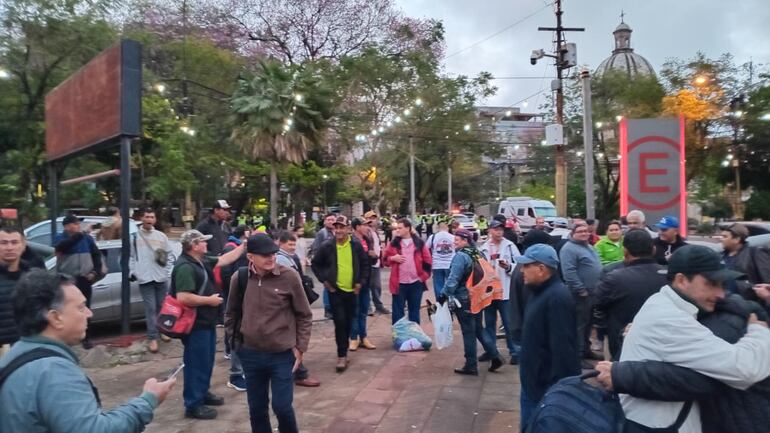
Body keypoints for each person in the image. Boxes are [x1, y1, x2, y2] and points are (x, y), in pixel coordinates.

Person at [598, 245, 770, 433]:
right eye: (712, 283)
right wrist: (758, 330)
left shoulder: (664, 303)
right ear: (681, 280)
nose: (721, 294)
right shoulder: (669, 319)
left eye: (722, 285)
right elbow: (744, 369)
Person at [0, 270, 176, 432]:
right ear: (55, 317)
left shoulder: (15, 357)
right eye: (81, 307)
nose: (89, 313)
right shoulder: (54, 372)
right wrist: (147, 401)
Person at [225, 234, 312, 433]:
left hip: (282, 354)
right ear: (250, 256)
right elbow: (231, 313)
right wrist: (236, 343)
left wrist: (300, 348)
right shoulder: (240, 278)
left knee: (282, 407)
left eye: (273, 253)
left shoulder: (289, 276)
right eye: (265, 255)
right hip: (251, 354)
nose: (271, 258)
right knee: (257, 409)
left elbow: (304, 314)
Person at [172, 229, 246, 420]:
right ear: (194, 246)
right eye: (203, 241)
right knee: (196, 363)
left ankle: (202, 393)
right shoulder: (185, 267)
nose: (206, 243)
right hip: (195, 324)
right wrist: (209, 300)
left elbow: (225, 259)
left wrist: (244, 246)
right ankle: (193, 404)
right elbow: (183, 297)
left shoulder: (200, 260)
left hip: (205, 322)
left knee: (205, 361)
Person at [517, 244, 580, 429]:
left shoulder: (557, 298)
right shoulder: (537, 292)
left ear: (541, 268)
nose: (522, 270)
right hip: (533, 383)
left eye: (526, 266)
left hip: (543, 389)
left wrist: (560, 393)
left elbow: (564, 349)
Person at [594, 229, 666, 360]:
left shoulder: (614, 278)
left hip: (622, 343)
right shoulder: (670, 276)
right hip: (660, 342)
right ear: (653, 249)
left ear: (625, 251)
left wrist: (604, 328)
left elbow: (597, 305)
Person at [310, 216, 369, 372]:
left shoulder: (355, 245)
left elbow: (365, 264)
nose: (339, 230)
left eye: (342, 227)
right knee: (340, 322)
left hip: (352, 291)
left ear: (348, 229)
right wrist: (325, 281)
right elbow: (315, 264)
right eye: (336, 227)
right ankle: (341, 355)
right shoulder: (327, 246)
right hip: (335, 291)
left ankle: (345, 346)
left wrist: (360, 282)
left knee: (349, 322)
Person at [443, 229, 504, 375]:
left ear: (465, 241)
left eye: (457, 240)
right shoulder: (478, 253)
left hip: (464, 298)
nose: (454, 242)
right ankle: (495, 355)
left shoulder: (461, 256)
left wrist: (444, 294)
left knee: (468, 332)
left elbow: (454, 279)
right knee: (478, 328)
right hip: (478, 296)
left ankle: (471, 365)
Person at [275, 232, 321, 388]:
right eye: (290, 244)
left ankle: (295, 371)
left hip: (291, 302)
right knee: (292, 339)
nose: (293, 247)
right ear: (281, 244)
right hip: (288, 304)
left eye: (294, 244)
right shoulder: (281, 259)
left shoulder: (288, 257)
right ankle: (298, 373)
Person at [54, 214, 103, 350]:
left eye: (78, 224)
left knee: (85, 307)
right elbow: (62, 247)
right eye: (75, 224)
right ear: (67, 226)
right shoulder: (60, 238)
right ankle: (67, 337)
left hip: (84, 279)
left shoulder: (87, 239)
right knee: (67, 308)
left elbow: (96, 255)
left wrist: (94, 272)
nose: (78, 226)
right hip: (68, 280)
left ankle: (86, 337)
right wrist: (80, 235)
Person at [129, 209, 173, 353]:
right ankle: (152, 337)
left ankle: (163, 331)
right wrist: (135, 272)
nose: (149, 219)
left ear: (155, 219)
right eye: (147, 216)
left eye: (152, 217)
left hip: (160, 277)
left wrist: (166, 271)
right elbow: (131, 257)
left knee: (162, 306)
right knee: (151, 308)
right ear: (142, 218)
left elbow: (169, 255)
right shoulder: (134, 237)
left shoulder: (161, 236)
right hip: (145, 278)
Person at [479, 219, 521, 364]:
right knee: (489, 323)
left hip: (505, 291)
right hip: (489, 292)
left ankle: (514, 351)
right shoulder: (483, 248)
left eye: (501, 229)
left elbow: (520, 266)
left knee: (509, 323)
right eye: (496, 229)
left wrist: (508, 267)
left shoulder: (510, 246)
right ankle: (491, 351)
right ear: (490, 231)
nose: (499, 232)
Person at [558, 223, 602, 360]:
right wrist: (580, 289)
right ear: (573, 233)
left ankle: (586, 350)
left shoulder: (589, 247)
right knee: (579, 325)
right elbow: (569, 272)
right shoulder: (569, 249)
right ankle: (578, 356)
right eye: (580, 231)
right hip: (580, 294)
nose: (584, 233)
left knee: (589, 324)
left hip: (594, 293)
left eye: (586, 231)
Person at [383, 218, 432, 325]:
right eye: (397, 228)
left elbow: (428, 261)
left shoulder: (419, 243)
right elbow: (384, 260)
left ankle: (414, 333)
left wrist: (422, 277)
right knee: (397, 313)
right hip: (399, 284)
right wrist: (393, 258)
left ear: (408, 228)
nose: (397, 230)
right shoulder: (393, 244)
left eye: (400, 228)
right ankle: (399, 333)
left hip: (416, 283)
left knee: (414, 312)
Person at [0, 227, 35, 356]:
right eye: (3, 243)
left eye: (14, 242)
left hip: (27, 347)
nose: (9, 248)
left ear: (23, 245)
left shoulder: (33, 276)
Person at [721, 223, 770, 298]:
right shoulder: (721, 256)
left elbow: (767, 279)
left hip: (748, 301)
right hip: (725, 300)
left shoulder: (755, 253)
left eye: (725, 237)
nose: (721, 239)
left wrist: (750, 288)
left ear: (736, 239)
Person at [349, 217, 377, 351]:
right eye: (364, 225)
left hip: (366, 279)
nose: (367, 227)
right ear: (357, 227)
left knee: (364, 309)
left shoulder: (367, 240)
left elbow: (370, 261)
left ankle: (363, 336)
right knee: (354, 309)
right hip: (355, 281)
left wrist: (373, 256)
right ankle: (353, 337)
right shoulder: (351, 241)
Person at [310, 213, 337, 319]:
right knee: (327, 286)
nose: (330, 222)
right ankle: (328, 309)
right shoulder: (322, 233)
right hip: (326, 264)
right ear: (325, 221)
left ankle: (334, 309)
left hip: (335, 264)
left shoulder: (336, 232)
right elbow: (316, 248)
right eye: (328, 220)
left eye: (332, 219)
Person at [365, 211, 390, 315]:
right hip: (369, 262)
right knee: (369, 286)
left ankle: (378, 306)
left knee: (376, 286)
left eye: (374, 218)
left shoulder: (374, 232)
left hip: (376, 262)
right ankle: (369, 308)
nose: (372, 220)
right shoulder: (366, 231)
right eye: (369, 218)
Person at [426, 220, 455, 299]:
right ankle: (451, 300)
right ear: (447, 228)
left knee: (438, 285)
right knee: (451, 284)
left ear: (438, 228)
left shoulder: (433, 237)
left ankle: (440, 302)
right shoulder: (453, 237)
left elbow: (426, 248)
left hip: (437, 265)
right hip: (450, 264)